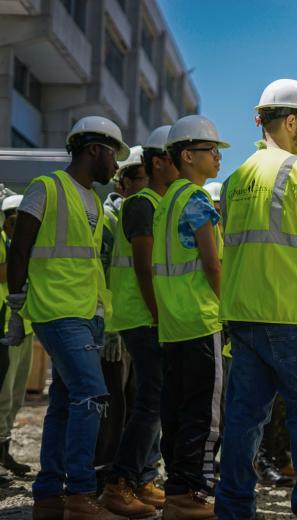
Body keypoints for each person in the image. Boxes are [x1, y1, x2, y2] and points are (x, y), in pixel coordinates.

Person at [215, 79, 297, 520]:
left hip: (245, 320)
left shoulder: (234, 181)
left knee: (243, 420)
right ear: (291, 121)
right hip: (296, 318)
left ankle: (232, 509)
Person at [6, 116, 130, 520]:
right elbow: (19, 250)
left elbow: (89, 263)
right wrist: (18, 306)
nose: (116, 167)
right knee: (92, 396)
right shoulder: (46, 189)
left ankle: (47, 495)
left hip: (86, 313)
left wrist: (103, 318)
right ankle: (79, 495)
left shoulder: (93, 200)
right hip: (57, 311)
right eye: (114, 156)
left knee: (64, 402)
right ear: (94, 149)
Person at [98, 126, 178, 516]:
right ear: (160, 162)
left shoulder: (157, 203)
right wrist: (162, 318)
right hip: (140, 315)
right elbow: (145, 271)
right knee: (150, 399)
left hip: (146, 314)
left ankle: (140, 477)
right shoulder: (142, 204)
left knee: (154, 399)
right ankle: (120, 482)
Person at [153, 115, 228, 519]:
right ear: (187, 155)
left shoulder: (167, 201)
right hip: (201, 320)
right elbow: (212, 264)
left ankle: (177, 490)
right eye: (211, 150)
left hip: (173, 324)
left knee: (177, 411)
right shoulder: (197, 200)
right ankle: (190, 496)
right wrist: (228, 306)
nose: (218, 157)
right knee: (204, 412)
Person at [94, 147, 144, 496]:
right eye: (139, 178)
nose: (145, 184)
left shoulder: (141, 214)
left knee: (133, 402)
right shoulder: (109, 219)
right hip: (115, 327)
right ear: (122, 181)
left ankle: (126, 478)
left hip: (135, 324)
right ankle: (103, 478)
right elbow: (104, 276)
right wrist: (110, 329)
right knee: (113, 407)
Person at [0, 194, 33, 477]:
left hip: (26, 325)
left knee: (17, 394)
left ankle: (5, 452)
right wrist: (23, 255)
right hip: (5, 326)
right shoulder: (5, 244)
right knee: (4, 394)